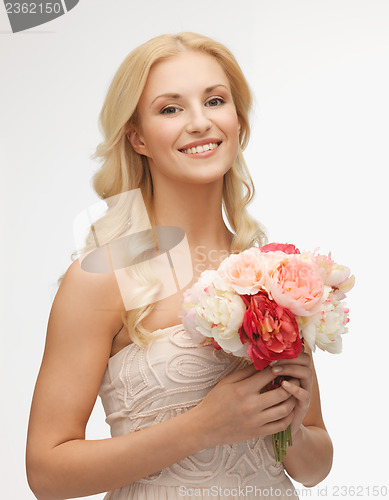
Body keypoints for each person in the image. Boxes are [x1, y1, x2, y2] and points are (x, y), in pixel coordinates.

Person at [26, 32, 333, 500]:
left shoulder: (274, 274)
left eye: (214, 100)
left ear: (237, 120)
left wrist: (291, 417)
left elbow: (314, 466)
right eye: (171, 109)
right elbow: (46, 473)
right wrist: (203, 428)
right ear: (138, 138)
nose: (199, 122)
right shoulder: (107, 274)